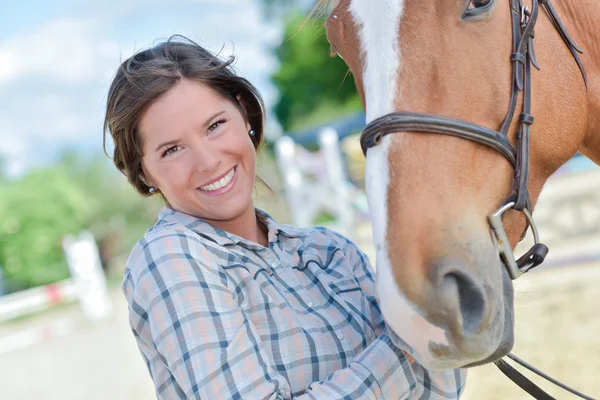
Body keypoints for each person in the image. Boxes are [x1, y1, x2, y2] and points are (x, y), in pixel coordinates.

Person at [103, 35, 466, 399]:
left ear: (244, 113)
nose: (207, 160)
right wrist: (409, 340)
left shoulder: (330, 252)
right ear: (145, 173)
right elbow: (431, 350)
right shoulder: (171, 258)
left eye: (214, 126)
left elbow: (443, 385)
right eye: (173, 149)